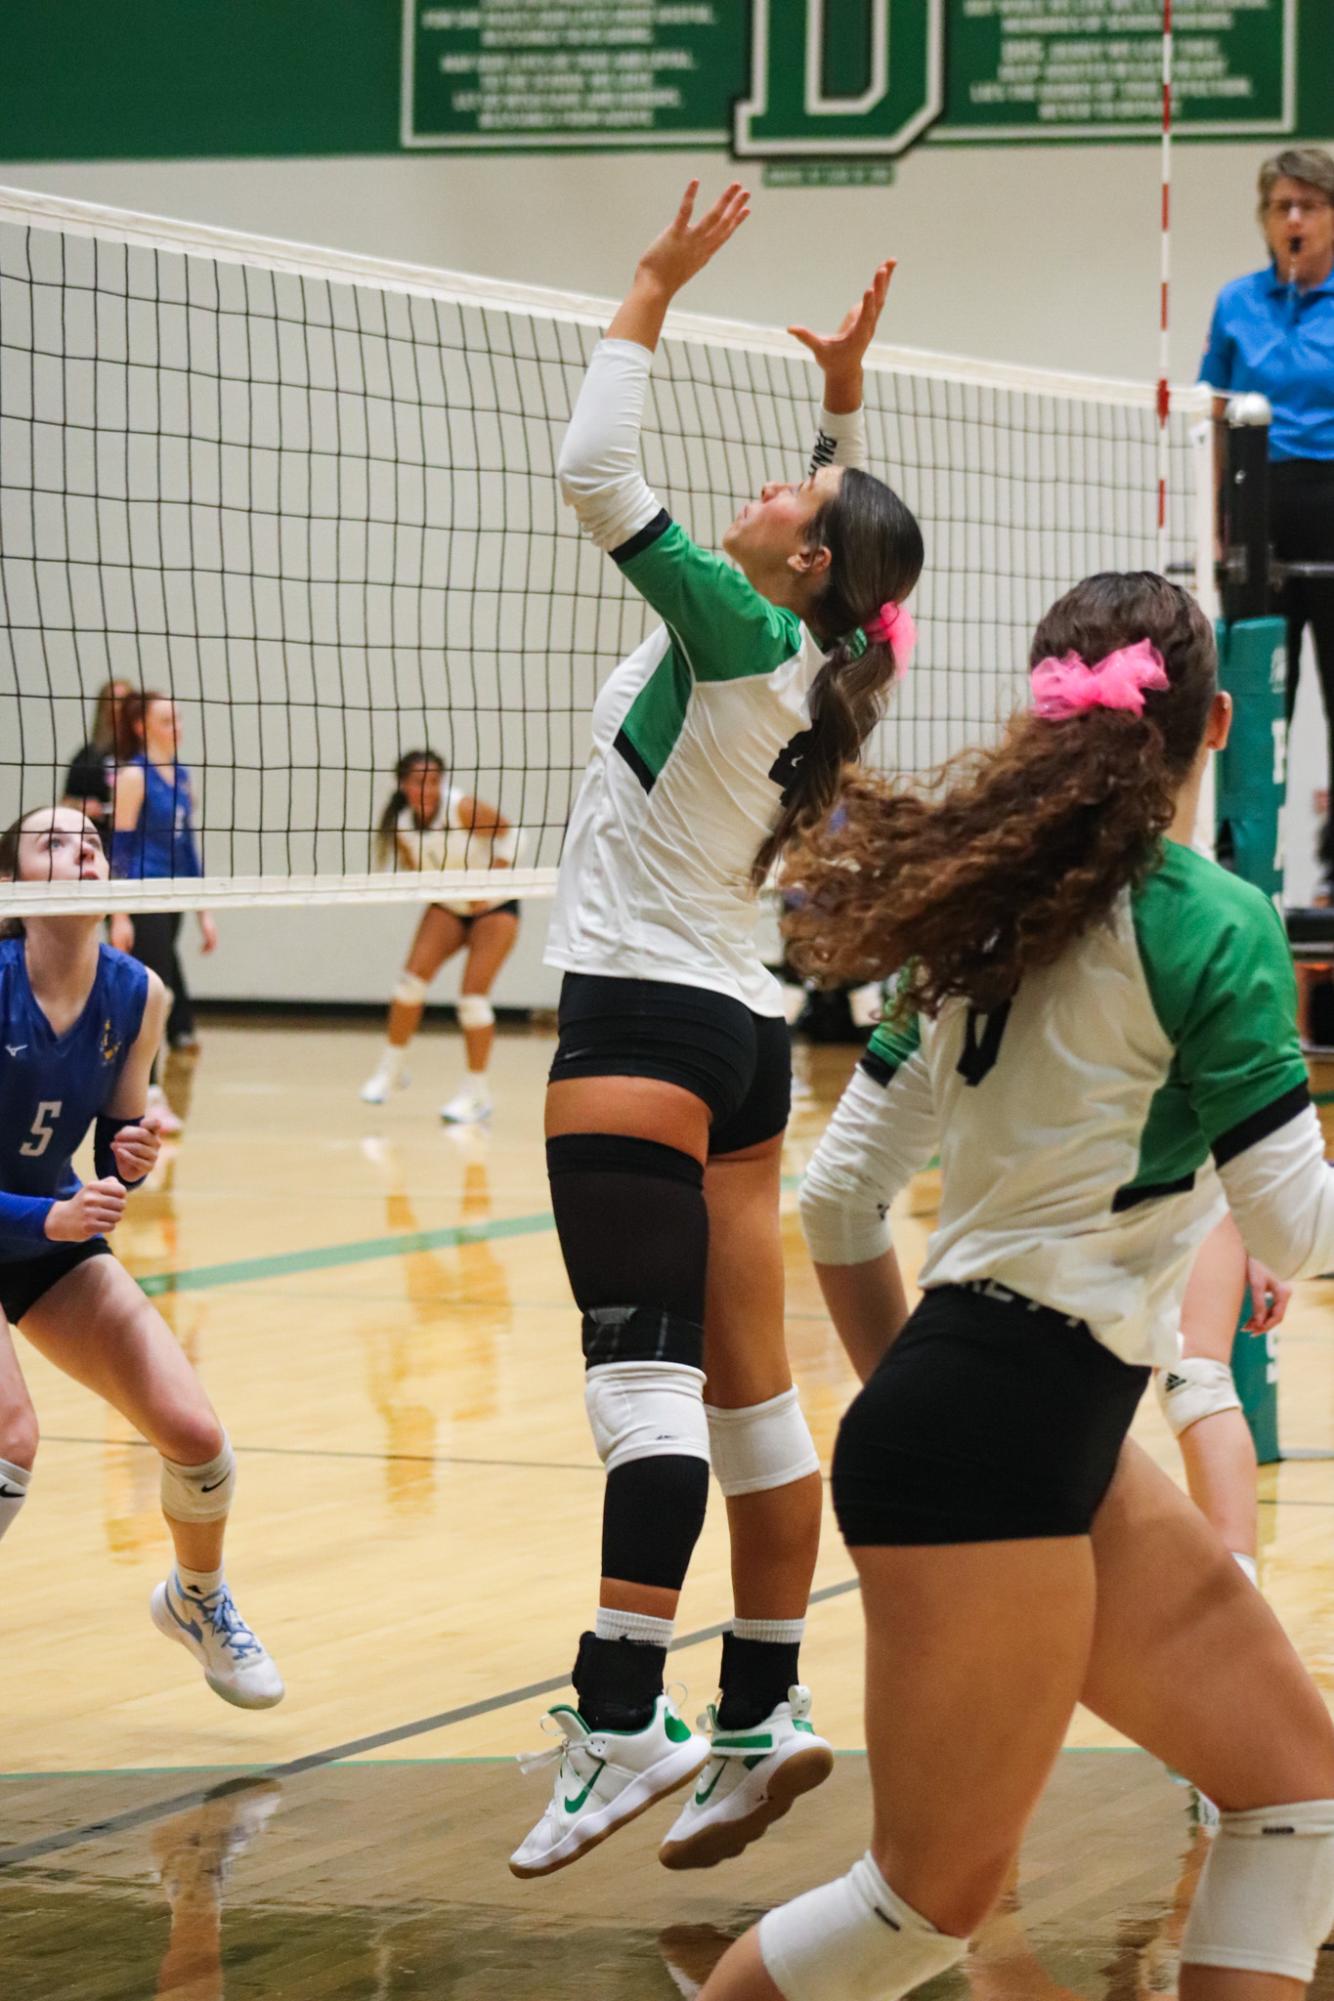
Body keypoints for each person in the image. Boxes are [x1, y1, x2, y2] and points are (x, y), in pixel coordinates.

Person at [698, 571, 1334, 2001]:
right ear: (1214, 722)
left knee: (1296, 1793)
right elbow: (1292, 1232)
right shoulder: (1211, 921)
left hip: (1021, 1421)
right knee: (918, 1908)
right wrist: (954, 1418)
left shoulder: (982, 913)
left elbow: (838, 1198)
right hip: (1005, 1431)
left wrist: (920, 1393)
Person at [510, 179, 923, 1881]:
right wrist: (836, 403)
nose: (762, 489)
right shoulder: (833, 660)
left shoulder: (738, 618)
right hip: (745, 1038)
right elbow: (861, 566)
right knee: (752, 1400)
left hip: (640, 1020)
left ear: (800, 559)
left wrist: (648, 285)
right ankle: (757, 1706)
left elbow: (592, 475)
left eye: (789, 488)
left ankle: (623, 1722)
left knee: (643, 1393)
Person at [0, 804, 282, 1709]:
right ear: (14, 886)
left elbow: (118, 1128)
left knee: (197, 1441)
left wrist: (131, 1148)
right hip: (39, 1222)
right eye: (54, 841)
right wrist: (51, 1221)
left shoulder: (140, 994)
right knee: (12, 1435)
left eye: (92, 841)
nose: (83, 850)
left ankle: (194, 1600)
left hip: (49, 1226)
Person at [1200, 146, 1334, 885]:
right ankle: (1244, 860)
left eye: (1309, 206)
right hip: (1257, 507)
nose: (1294, 219)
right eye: (1281, 206)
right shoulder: (1237, 303)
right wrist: (1217, 525)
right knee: (1253, 688)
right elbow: (1216, 421)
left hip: (1332, 499)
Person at [359, 749, 520, 1124]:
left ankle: (477, 1094)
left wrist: (491, 880)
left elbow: (512, 835)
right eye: (418, 781)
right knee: (408, 986)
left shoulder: (460, 808)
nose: (427, 789)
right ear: (403, 785)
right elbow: (419, 871)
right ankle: (392, 1068)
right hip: (449, 907)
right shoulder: (402, 825)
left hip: (493, 908)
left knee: (472, 1001)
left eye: (433, 781)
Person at [108, 690, 217, 1133]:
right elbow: (120, 847)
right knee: (153, 996)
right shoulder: (134, 776)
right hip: (140, 897)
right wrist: (117, 913)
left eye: (179, 719)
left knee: (162, 994)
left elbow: (186, 847)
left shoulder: (183, 776)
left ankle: (145, 1094)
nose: (177, 727)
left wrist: (205, 910)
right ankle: (147, 1096)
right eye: (167, 720)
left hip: (171, 899)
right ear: (142, 727)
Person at [62, 680, 131, 826]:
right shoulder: (88, 757)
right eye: (112, 701)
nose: (118, 707)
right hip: (100, 836)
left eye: (124, 701)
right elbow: (65, 802)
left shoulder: (148, 756)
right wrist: (82, 806)